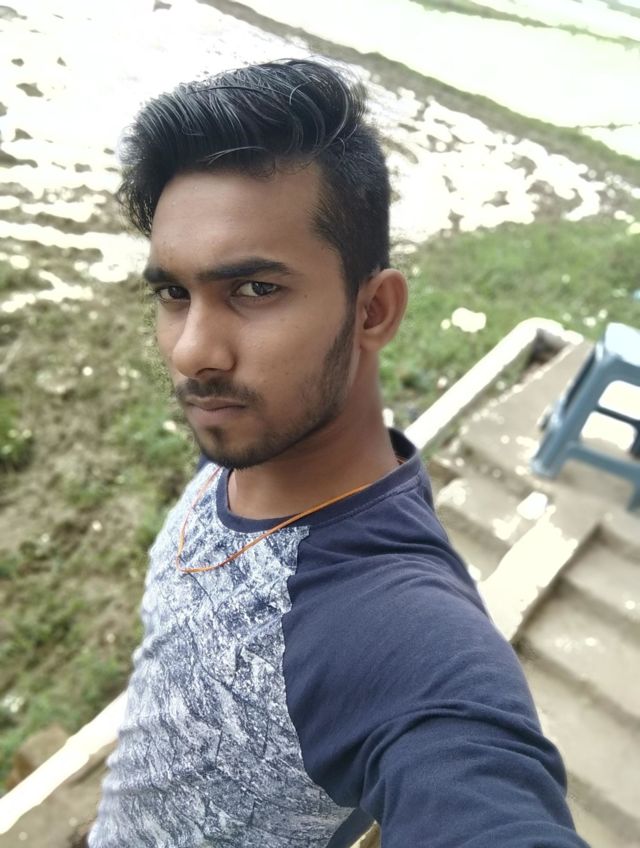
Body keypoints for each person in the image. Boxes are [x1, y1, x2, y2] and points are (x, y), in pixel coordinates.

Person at [88, 59, 588, 848]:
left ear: (374, 310)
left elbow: (481, 787)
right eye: (174, 293)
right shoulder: (250, 440)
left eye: (255, 289)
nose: (191, 352)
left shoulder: (396, 628)